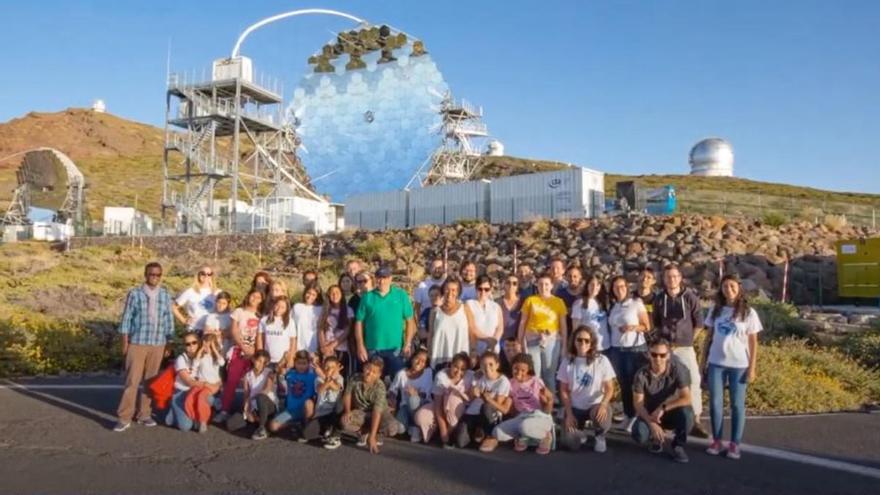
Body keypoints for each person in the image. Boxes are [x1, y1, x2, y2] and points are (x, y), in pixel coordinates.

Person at [703, 274, 763, 460]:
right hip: (716, 362)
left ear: (739, 288)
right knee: (715, 404)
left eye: (732, 286)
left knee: (737, 405)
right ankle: (717, 439)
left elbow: (753, 342)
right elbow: (708, 338)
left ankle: (735, 443)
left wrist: (752, 368)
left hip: (739, 364)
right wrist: (702, 362)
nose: (728, 290)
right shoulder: (716, 310)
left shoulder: (748, 312)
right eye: (725, 286)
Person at [114, 262, 175, 432]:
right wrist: (125, 343)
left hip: (158, 343)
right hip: (138, 342)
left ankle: (144, 414)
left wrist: (170, 341)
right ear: (145, 275)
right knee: (132, 381)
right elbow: (127, 318)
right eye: (151, 274)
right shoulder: (135, 293)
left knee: (150, 381)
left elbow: (168, 319)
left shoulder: (165, 294)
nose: (154, 277)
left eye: (158, 275)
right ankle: (124, 417)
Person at [653, 264, 709, 438]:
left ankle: (696, 419)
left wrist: (689, 339)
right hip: (666, 349)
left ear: (680, 278)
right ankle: (663, 418)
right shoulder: (659, 299)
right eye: (668, 276)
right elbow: (656, 323)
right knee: (664, 384)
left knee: (692, 381)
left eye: (675, 276)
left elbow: (699, 322)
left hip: (684, 347)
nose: (672, 279)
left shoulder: (690, 297)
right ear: (664, 279)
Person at [631, 338, 695, 464]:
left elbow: (687, 398)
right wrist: (651, 423)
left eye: (662, 355)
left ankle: (678, 445)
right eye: (654, 354)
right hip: (649, 413)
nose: (658, 358)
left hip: (670, 411)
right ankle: (655, 437)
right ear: (649, 354)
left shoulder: (679, 369)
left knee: (687, 414)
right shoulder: (641, 374)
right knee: (638, 434)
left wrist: (663, 408)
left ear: (668, 355)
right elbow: (638, 404)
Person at [558, 326, 616, 453]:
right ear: (574, 341)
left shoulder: (601, 360)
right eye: (579, 340)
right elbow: (563, 390)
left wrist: (603, 404)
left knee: (601, 416)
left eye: (586, 340)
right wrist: (569, 414)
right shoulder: (567, 361)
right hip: (575, 406)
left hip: (595, 405)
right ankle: (581, 433)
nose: (582, 343)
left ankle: (600, 436)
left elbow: (610, 388)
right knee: (569, 443)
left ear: (592, 343)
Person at [354, 266, 416, 379]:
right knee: (373, 381)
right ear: (375, 279)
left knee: (397, 381)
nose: (381, 281)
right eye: (379, 277)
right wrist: (360, 346)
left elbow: (410, 321)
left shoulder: (401, 295)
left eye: (385, 277)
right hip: (373, 348)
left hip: (396, 349)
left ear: (390, 279)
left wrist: (407, 343)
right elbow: (359, 323)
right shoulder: (367, 297)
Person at [607, 275, 651, 431]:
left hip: (634, 349)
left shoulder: (636, 303)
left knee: (635, 385)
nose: (619, 289)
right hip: (616, 349)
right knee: (624, 384)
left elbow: (646, 326)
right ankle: (628, 415)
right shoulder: (614, 306)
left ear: (627, 288)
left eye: (622, 286)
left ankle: (639, 417)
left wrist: (632, 328)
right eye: (616, 287)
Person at [491, 353, 555, 455]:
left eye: (523, 370)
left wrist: (549, 400)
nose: (518, 372)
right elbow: (507, 408)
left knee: (524, 427)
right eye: (516, 368)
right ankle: (526, 437)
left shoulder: (536, 382)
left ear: (528, 370)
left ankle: (546, 436)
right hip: (521, 417)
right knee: (497, 432)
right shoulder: (510, 383)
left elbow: (547, 410)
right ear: (512, 367)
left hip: (539, 417)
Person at [215, 289, 263, 423]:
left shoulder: (261, 315)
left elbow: (261, 335)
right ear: (248, 296)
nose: (255, 299)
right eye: (253, 295)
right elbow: (234, 331)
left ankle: (248, 411)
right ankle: (224, 410)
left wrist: (255, 351)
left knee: (252, 384)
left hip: (254, 353)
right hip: (239, 351)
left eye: (258, 297)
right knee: (232, 381)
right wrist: (243, 347)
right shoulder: (239, 312)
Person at [517, 274, 568, 397]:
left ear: (551, 286)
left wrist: (564, 345)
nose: (543, 287)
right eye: (540, 284)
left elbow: (563, 325)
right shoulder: (530, 300)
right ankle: (534, 402)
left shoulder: (558, 302)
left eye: (546, 284)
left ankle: (549, 404)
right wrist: (520, 342)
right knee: (534, 374)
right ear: (537, 286)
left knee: (549, 374)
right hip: (532, 340)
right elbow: (523, 322)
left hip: (552, 341)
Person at [340, 357, 404, 454]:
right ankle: (364, 432)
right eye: (368, 369)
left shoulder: (380, 386)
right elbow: (347, 394)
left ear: (379, 375)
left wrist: (372, 437)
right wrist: (347, 411)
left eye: (374, 372)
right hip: (361, 411)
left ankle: (376, 434)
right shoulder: (355, 378)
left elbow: (377, 412)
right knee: (344, 422)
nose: (369, 373)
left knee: (393, 428)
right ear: (364, 367)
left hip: (380, 412)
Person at [413, 352, 473, 447]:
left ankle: (448, 434)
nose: (458, 372)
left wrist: (445, 434)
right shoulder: (441, 376)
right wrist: (443, 430)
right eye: (456, 367)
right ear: (450, 364)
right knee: (420, 417)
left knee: (453, 397)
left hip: (459, 412)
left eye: (463, 369)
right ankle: (439, 432)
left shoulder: (471, 376)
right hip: (441, 408)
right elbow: (438, 406)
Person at [457, 351, 511, 452]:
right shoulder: (478, 377)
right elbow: (470, 398)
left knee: (486, 407)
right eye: (483, 365)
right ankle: (476, 432)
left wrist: (486, 398)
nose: (487, 368)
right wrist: (473, 392)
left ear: (497, 365)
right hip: (473, 412)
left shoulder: (503, 381)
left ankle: (490, 434)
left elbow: (498, 403)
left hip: (489, 413)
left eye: (491, 364)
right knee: (461, 442)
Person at [427, 279, 476, 372]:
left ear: (458, 292)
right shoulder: (435, 311)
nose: (450, 293)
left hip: (460, 361)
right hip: (439, 358)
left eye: (454, 290)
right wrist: (429, 351)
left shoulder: (465, 308)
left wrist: (473, 352)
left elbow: (472, 331)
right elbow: (430, 333)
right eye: (447, 289)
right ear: (443, 290)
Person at [388, 349, 434, 442]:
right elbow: (393, 390)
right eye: (417, 358)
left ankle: (415, 426)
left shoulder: (428, 373)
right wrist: (392, 399)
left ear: (426, 364)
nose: (419, 363)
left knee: (413, 399)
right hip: (405, 407)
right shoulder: (401, 374)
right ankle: (409, 427)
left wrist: (415, 393)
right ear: (412, 358)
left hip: (422, 405)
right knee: (399, 429)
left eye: (423, 361)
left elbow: (426, 394)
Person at [269, 350, 318, 440]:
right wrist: (284, 359)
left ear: (308, 364)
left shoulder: (312, 376)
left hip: (305, 411)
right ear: (294, 363)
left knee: (309, 403)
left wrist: (315, 361)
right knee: (273, 426)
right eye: (299, 363)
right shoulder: (289, 374)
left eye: (304, 363)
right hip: (290, 411)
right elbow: (275, 371)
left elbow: (323, 376)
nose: (301, 366)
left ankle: (306, 427)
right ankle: (296, 425)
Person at [185, 333, 225, 433]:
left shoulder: (216, 357)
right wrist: (202, 349)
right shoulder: (202, 356)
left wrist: (214, 349)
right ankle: (194, 418)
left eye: (209, 345)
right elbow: (195, 365)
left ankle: (203, 420)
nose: (207, 347)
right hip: (201, 383)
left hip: (211, 385)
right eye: (205, 344)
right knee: (190, 398)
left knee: (201, 398)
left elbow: (222, 363)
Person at [304, 355, 345, 449]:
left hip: (333, 413)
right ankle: (325, 431)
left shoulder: (339, 378)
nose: (329, 369)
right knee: (306, 434)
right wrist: (326, 378)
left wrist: (327, 377)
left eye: (332, 367)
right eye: (326, 367)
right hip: (321, 414)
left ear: (337, 368)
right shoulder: (318, 379)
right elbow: (320, 390)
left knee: (340, 404)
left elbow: (337, 388)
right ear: (323, 367)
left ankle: (335, 435)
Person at [164, 332, 203, 432]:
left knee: (210, 398)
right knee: (185, 426)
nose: (191, 346)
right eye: (187, 344)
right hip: (182, 392)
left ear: (199, 343)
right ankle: (173, 413)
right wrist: (207, 384)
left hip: (196, 392)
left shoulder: (205, 357)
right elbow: (188, 381)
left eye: (194, 342)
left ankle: (197, 414)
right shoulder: (181, 359)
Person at [319, 285, 355, 378]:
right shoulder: (325, 310)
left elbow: (348, 330)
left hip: (341, 349)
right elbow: (320, 329)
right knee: (326, 375)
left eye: (337, 293)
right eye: (332, 293)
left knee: (340, 376)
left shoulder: (348, 310)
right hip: (327, 350)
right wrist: (323, 346)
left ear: (341, 295)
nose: (334, 295)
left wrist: (333, 345)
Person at [571, 272, 611, 354]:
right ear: (587, 286)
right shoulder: (579, 303)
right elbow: (575, 329)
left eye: (597, 285)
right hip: (588, 346)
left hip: (605, 345)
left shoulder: (602, 302)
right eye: (592, 284)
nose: (594, 288)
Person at [242, 350, 277, 440]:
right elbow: (246, 394)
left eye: (264, 362)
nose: (261, 364)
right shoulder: (247, 375)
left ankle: (261, 428)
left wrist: (252, 398)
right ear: (253, 359)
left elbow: (267, 389)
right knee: (233, 424)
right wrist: (246, 408)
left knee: (260, 397)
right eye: (259, 361)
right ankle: (261, 424)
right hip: (254, 406)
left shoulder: (269, 372)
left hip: (268, 405)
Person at [172, 266, 218, 333]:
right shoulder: (190, 291)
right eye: (203, 273)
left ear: (212, 276)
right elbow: (173, 307)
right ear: (198, 275)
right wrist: (184, 321)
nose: (206, 276)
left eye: (209, 274)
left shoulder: (217, 292)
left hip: (210, 332)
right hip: (194, 330)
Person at [466, 276, 504, 355]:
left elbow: (500, 328)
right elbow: (472, 328)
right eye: (480, 289)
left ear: (491, 290)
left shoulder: (496, 306)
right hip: (475, 351)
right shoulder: (469, 304)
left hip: (493, 351)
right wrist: (487, 340)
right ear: (476, 289)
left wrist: (494, 341)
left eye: (486, 289)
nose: (483, 292)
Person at [256, 297, 296, 369]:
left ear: (287, 309)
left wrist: (291, 358)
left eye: (283, 307)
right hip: (267, 360)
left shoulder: (290, 322)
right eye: (277, 305)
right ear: (273, 305)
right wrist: (260, 356)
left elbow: (293, 341)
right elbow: (260, 339)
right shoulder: (264, 320)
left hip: (283, 360)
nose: (279, 309)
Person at [497, 275, 522, 374]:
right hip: (501, 342)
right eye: (508, 283)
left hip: (517, 343)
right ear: (504, 285)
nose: (511, 285)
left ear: (517, 286)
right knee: (503, 370)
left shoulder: (523, 302)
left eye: (514, 283)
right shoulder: (497, 302)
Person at [294, 285, 323, 355]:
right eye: (308, 293)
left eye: (314, 295)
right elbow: (293, 328)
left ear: (317, 296)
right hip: (299, 348)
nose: (310, 296)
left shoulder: (321, 309)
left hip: (315, 349)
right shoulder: (297, 307)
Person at [554, 265, 584, 332]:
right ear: (566, 277)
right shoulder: (560, 293)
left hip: (582, 331)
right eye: (569, 276)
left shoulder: (585, 294)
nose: (572, 279)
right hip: (564, 330)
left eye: (575, 276)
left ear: (580, 277)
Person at [203, 291, 233, 356]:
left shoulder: (231, 316)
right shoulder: (211, 316)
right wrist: (216, 333)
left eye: (224, 303)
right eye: (219, 302)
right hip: (212, 348)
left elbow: (231, 333)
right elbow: (206, 332)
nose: (220, 305)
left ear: (228, 304)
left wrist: (221, 333)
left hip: (225, 349)